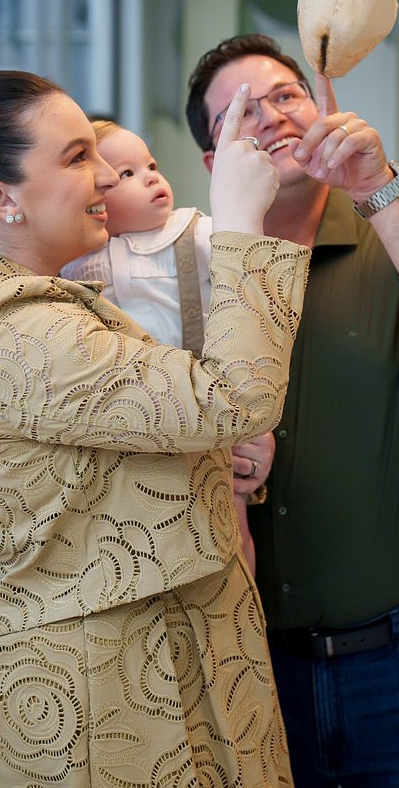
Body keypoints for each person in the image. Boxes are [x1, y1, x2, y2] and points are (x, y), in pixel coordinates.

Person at [0, 68, 310, 788]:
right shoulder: (19, 328)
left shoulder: (33, 302)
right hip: (99, 692)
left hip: (124, 655)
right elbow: (232, 399)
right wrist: (240, 222)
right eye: (75, 157)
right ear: (1, 198)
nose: (103, 176)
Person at [182, 34, 399, 788]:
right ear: (215, 164)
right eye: (242, 111)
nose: (273, 116)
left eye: (286, 95)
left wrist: (375, 184)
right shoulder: (191, 286)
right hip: (251, 670)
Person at [60, 119, 273, 575]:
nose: (151, 178)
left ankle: (243, 605)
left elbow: (247, 262)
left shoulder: (195, 232)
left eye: (151, 166)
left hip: (204, 403)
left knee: (231, 528)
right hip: (135, 420)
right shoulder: (77, 261)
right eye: (127, 173)